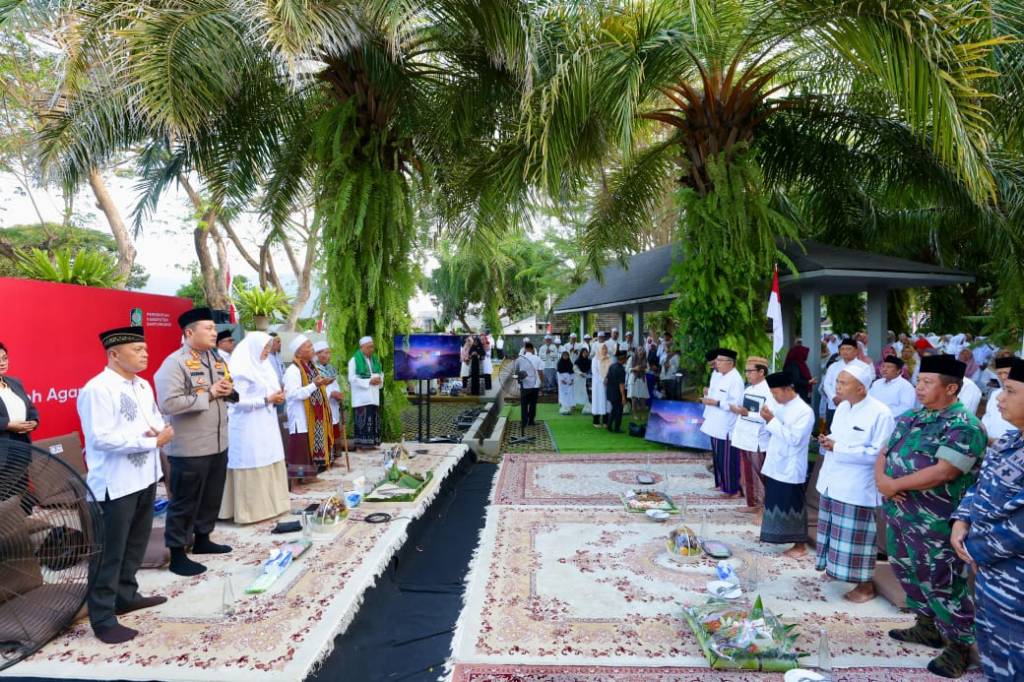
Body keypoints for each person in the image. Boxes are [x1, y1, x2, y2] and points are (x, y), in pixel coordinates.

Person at [875, 353, 984, 679]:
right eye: (919, 381)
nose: (918, 387)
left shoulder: (964, 426)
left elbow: (944, 471)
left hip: (936, 521)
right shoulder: (911, 417)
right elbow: (885, 452)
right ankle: (927, 626)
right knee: (907, 571)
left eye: (926, 382)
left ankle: (959, 645)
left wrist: (893, 483)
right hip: (900, 515)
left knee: (942, 581)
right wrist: (882, 480)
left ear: (951, 389)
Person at [79, 326, 172, 643]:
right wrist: (150, 441)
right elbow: (100, 438)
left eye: (145, 349)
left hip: (144, 476)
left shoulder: (143, 385)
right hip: (114, 484)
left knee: (135, 544)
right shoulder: (98, 389)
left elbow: (155, 420)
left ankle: (127, 595)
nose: (145, 354)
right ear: (114, 354)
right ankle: (103, 618)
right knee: (109, 552)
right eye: (137, 349)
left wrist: (157, 433)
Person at [950, 357, 1024, 682]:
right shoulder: (1010, 440)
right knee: (993, 653)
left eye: (1010, 391)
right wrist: (962, 519)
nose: (998, 398)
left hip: (1014, 581)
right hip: (991, 578)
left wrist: (975, 548)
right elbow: (981, 483)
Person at [154, 307, 236, 577]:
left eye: (214, 328)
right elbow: (168, 403)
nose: (214, 333)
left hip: (218, 441)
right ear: (189, 333)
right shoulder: (174, 363)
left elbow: (224, 390)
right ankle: (177, 553)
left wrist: (228, 391)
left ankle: (203, 540)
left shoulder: (215, 359)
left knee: (211, 495)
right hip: (190, 446)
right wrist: (210, 394)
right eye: (209, 328)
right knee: (185, 501)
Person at [815, 360, 895, 602]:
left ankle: (866, 585)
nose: (837, 387)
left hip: (856, 485)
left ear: (861, 388)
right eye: (837, 381)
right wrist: (828, 440)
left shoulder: (881, 413)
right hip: (832, 480)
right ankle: (837, 570)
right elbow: (839, 437)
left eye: (843, 382)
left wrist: (838, 447)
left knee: (858, 539)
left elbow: (877, 455)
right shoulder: (842, 408)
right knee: (835, 533)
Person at [220, 332, 289, 524]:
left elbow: (271, 392)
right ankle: (249, 511)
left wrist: (277, 397)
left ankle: (273, 506)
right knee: (253, 459)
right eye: (264, 348)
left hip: (266, 422)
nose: (267, 352)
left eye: (269, 348)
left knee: (270, 457)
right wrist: (267, 400)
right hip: (247, 426)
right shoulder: (242, 369)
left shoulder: (264, 367)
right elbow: (236, 402)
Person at [759, 371, 815, 558]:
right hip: (776, 461)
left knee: (793, 504)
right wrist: (770, 419)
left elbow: (794, 439)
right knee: (776, 502)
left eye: (776, 393)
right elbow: (774, 428)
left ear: (787, 389)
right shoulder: (780, 404)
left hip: (791, 465)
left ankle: (800, 545)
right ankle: (778, 535)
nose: (774, 397)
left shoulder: (804, 411)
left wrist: (771, 420)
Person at [729, 356, 775, 515]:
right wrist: (739, 411)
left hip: (758, 438)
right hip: (744, 436)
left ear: (762, 372)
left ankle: (765, 505)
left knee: (760, 473)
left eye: (750, 371)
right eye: (746, 371)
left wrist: (746, 412)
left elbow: (769, 416)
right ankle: (753, 502)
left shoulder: (769, 391)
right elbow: (743, 412)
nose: (747, 374)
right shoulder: (748, 389)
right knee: (746, 472)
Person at [285, 335, 335, 471]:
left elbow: (314, 386)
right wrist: (314, 385)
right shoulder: (293, 371)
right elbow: (293, 394)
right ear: (299, 352)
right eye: (308, 346)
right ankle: (295, 484)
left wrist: (322, 383)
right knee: (299, 452)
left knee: (309, 449)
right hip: (299, 418)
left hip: (312, 416)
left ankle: (309, 478)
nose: (312, 349)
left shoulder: (312, 368)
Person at [0, 342, 40, 509]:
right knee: (5, 502)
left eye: (4, 358)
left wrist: (34, 421)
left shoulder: (14, 382)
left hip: (21, 449)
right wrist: (7, 425)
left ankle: (23, 532)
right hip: (2, 452)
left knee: (20, 495)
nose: (2, 363)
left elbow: (30, 408)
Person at [701, 349, 744, 497]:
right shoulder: (721, 375)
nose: (716, 364)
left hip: (727, 425)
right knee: (718, 458)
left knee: (727, 459)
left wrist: (715, 402)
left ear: (730, 363)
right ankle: (722, 485)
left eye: (719, 361)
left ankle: (733, 489)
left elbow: (736, 404)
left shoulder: (735, 379)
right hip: (715, 423)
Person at [348, 336, 384, 450]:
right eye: (369, 347)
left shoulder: (375, 360)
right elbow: (352, 378)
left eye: (372, 347)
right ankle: (361, 446)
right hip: (361, 398)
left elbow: (381, 373)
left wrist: (380, 379)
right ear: (362, 347)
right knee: (362, 422)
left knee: (373, 421)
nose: (371, 349)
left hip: (373, 396)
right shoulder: (354, 360)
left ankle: (372, 444)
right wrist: (369, 381)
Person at [822, 338, 859, 428]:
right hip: (834, 404)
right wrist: (834, 397)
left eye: (848, 349)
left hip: (853, 406)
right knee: (832, 432)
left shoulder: (862, 367)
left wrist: (847, 400)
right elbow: (827, 384)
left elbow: (863, 386)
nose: (845, 351)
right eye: (842, 349)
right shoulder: (833, 366)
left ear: (856, 351)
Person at [313, 340, 346, 442]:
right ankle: (328, 456)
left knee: (334, 433)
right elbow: (313, 389)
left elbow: (335, 385)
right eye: (326, 353)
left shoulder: (331, 369)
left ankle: (333, 455)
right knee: (324, 436)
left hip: (333, 406)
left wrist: (339, 394)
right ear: (318, 354)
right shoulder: (314, 370)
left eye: (329, 352)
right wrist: (331, 394)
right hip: (322, 408)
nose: (329, 355)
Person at [981, 356, 1016, 444]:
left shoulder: (1020, 396)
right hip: (987, 447)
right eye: (999, 373)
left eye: (1006, 372)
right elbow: (987, 417)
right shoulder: (995, 394)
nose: (1003, 377)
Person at [513, 342, 543, 427]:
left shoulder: (519, 359)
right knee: (533, 404)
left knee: (524, 404)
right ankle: (531, 421)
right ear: (532, 349)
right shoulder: (537, 358)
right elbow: (541, 372)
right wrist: (542, 384)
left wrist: (517, 378)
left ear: (525, 349)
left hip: (524, 386)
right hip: (535, 385)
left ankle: (524, 422)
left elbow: (515, 373)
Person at [606, 350, 628, 433]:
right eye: (625, 358)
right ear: (623, 359)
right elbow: (621, 384)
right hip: (617, 393)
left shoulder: (612, 366)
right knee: (619, 411)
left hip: (610, 391)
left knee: (614, 410)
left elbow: (606, 379)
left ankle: (609, 425)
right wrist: (623, 397)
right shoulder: (621, 369)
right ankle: (617, 428)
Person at [591, 344, 612, 427]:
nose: (605, 350)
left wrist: (608, 378)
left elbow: (610, 370)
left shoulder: (608, 358)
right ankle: (596, 421)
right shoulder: (595, 359)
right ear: (599, 349)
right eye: (603, 348)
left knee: (606, 401)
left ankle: (605, 421)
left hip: (607, 383)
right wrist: (603, 380)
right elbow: (595, 372)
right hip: (598, 384)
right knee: (598, 401)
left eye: (606, 348)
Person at [627, 344, 649, 414]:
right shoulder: (631, 358)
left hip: (642, 379)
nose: (641, 352)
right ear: (636, 351)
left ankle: (642, 413)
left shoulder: (645, 359)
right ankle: (634, 414)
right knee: (634, 398)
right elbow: (627, 369)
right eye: (639, 350)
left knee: (643, 397)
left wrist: (643, 369)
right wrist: (634, 368)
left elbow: (648, 369)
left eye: (642, 350)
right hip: (633, 379)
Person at [556, 351, 575, 415]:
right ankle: (563, 404)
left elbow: (572, 372)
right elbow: (558, 372)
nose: (565, 357)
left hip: (569, 378)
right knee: (563, 392)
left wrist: (572, 380)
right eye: (564, 355)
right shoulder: (559, 363)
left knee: (570, 392)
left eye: (566, 355)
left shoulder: (570, 363)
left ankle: (570, 405)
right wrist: (561, 380)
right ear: (562, 356)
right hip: (562, 379)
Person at [573, 347, 591, 413]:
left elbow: (590, 369)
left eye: (586, 353)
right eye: (584, 353)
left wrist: (587, 374)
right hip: (578, 378)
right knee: (577, 391)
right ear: (581, 353)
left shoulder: (589, 361)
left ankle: (587, 405)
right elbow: (575, 368)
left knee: (585, 392)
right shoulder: (578, 360)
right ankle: (573, 404)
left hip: (586, 378)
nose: (585, 354)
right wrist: (580, 373)